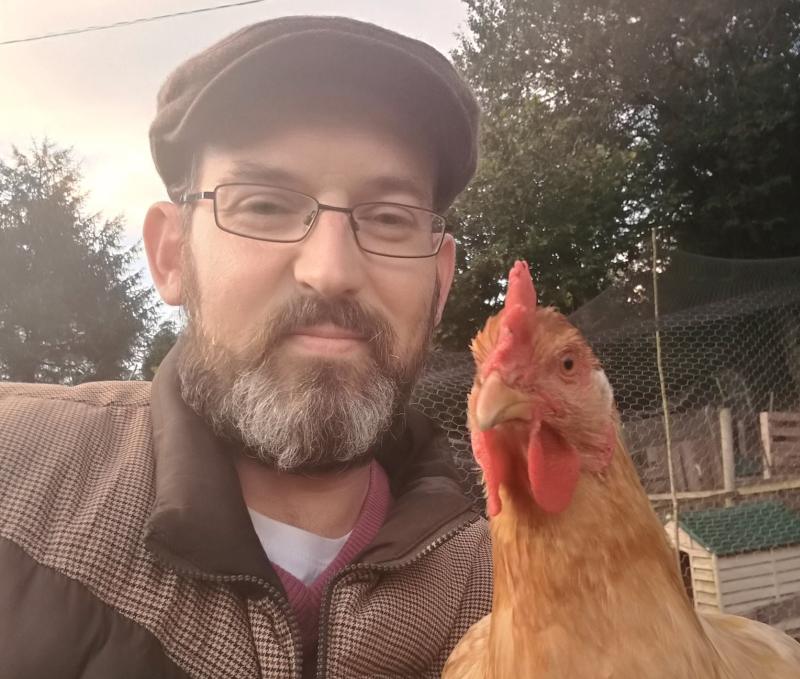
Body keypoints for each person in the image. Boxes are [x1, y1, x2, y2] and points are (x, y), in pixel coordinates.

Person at [0, 15, 491, 679]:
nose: (330, 269)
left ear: (437, 282)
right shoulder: (14, 483)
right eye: (264, 205)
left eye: (389, 218)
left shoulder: (518, 588)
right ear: (172, 254)